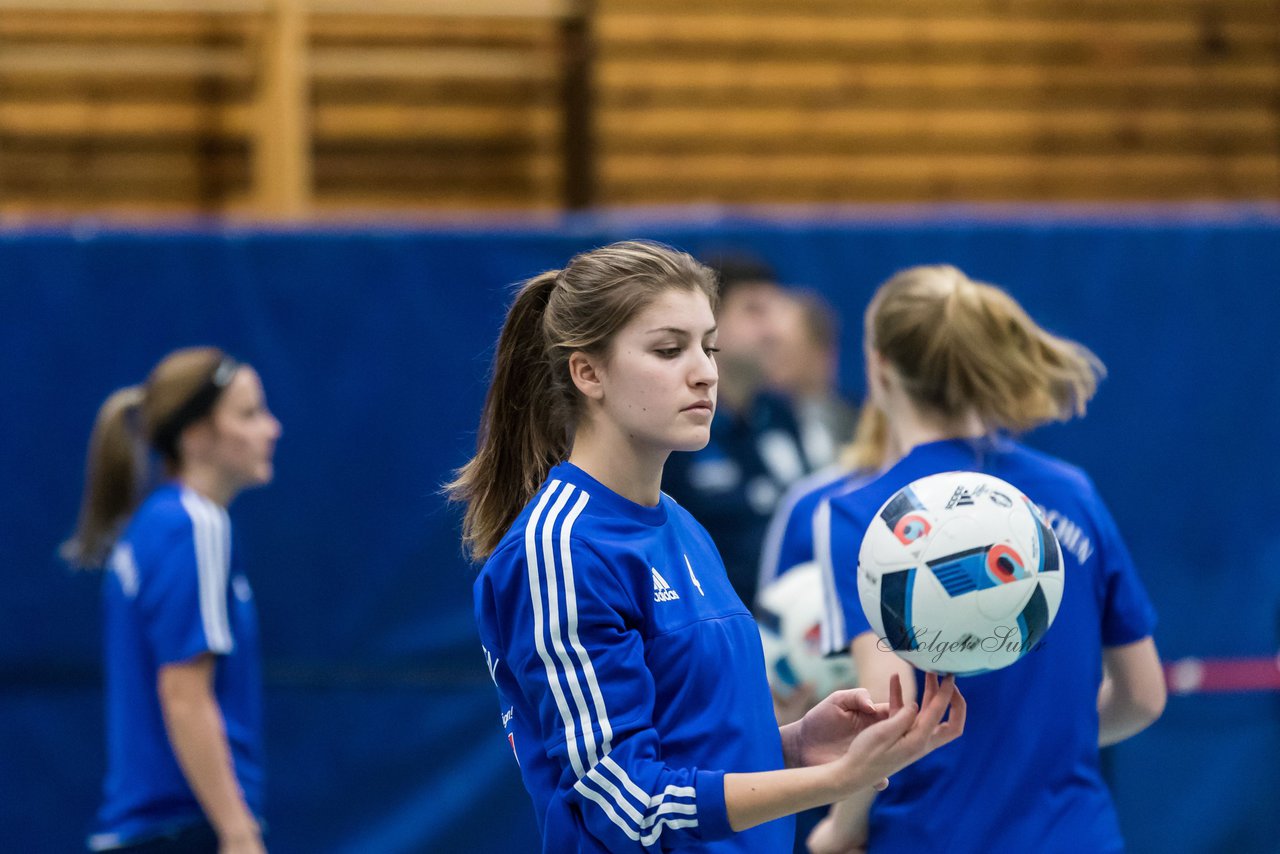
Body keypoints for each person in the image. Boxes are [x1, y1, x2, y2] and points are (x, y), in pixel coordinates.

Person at [447, 241, 965, 852]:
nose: (705, 372)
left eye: (709, 346)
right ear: (587, 372)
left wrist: (794, 743)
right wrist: (833, 780)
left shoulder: (684, 528)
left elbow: (695, 745)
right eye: (669, 350)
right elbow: (625, 804)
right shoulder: (559, 549)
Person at [809, 265, 1166, 854]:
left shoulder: (861, 516)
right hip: (1077, 836)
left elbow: (888, 715)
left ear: (879, 368)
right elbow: (1144, 696)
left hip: (930, 836)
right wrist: (1045, 746)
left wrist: (840, 829)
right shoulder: (1072, 490)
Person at [63, 347, 280, 854]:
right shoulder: (195, 525)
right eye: (249, 414)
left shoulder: (155, 525)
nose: (271, 429)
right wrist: (238, 831)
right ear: (196, 435)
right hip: (183, 829)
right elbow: (184, 693)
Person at [661, 253, 814, 607]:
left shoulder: (780, 413)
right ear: (711, 323)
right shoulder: (675, 424)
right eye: (754, 311)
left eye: (776, 312)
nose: (774, 330)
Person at [764, 290, 859, 471]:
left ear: (819, 349)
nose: (771, 356)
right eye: (768, 345)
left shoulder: (860, 424)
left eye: (779, 344)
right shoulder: (756, 427)